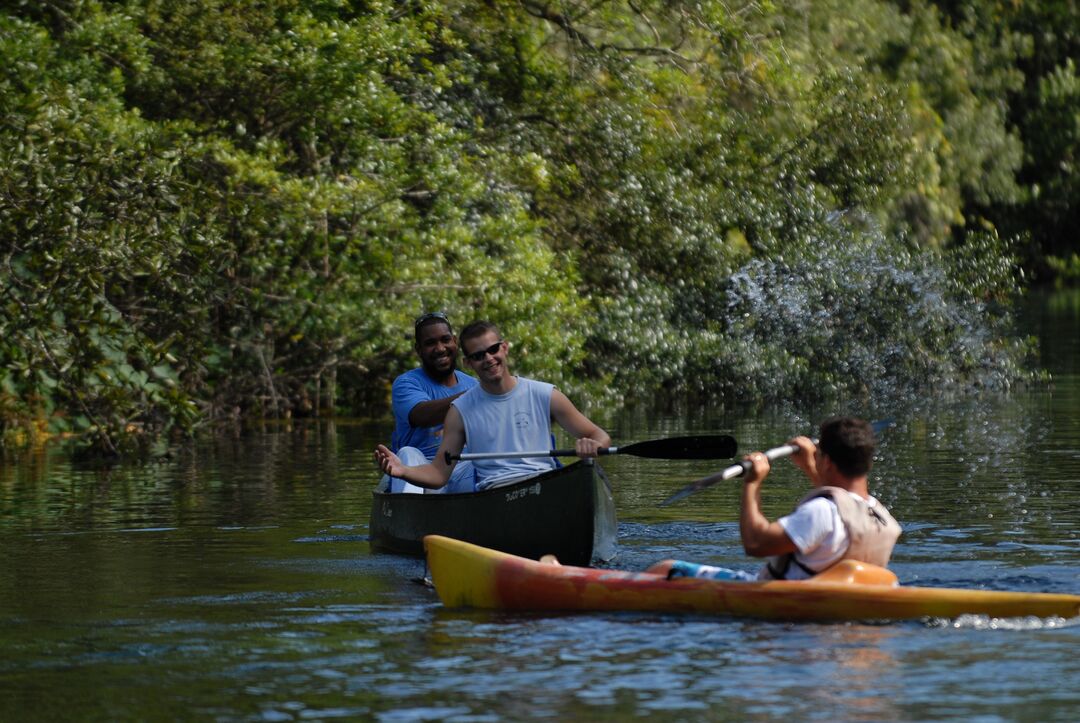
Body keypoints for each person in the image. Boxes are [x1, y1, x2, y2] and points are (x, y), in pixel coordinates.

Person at [374, 320, 611, 491]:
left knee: (583, 477)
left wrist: (592, 447)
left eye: (493, 349)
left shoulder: (546, 394)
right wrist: (402, 470)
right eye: (478, 356)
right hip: (495, 493)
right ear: (468, 362)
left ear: (504, 348)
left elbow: (599, 435)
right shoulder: (460, 410)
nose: (488, 359)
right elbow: (439, 474)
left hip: (543, 484)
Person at [665, 416, 901, 581]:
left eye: (819, 456)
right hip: (844, 596)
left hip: (779, 596)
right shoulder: (881, 516)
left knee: (665, 567)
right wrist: (810, 465)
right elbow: (843, 504)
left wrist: (752, 482)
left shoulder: (821, 512)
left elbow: (756, 543)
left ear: (827, 461)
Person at [385, 312, 478, 494]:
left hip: (462, 472)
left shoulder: (473, 385)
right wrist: (477, 396)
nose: (440, 348)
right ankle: (410, 516)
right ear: (418, 350)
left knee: (488, 461)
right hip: (423, 472)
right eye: (430, 343)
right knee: (407, 454)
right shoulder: (406, 383)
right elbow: (421, 416)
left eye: (445, 340)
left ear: (455, 341)